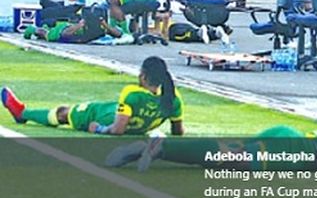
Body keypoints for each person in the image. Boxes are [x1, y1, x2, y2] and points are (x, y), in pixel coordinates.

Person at [107, 97, 317, 172]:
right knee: (230, 159)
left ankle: (154, 146)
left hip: (291, 134)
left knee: (228, 149)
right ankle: (161, 149)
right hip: (303, 154)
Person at [2, 57, 184, 136]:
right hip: (126, 118)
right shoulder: (173, 97)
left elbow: (117, 130)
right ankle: (23, 113)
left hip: (107, 117)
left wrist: (99, 129)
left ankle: (22, 113)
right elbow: (178, 131)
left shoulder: (132, 94)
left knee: (65, 113)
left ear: (143, 76)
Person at [23, 8, 122, 44]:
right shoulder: (82, 27)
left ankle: (43, 28)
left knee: (48, 32)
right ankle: (33, 29)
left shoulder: (101, 28)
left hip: (73, 30)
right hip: (65, 29)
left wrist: (105, 25)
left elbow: (118, 34)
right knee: (49, 35)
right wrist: (79, 25)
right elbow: (65, 33)